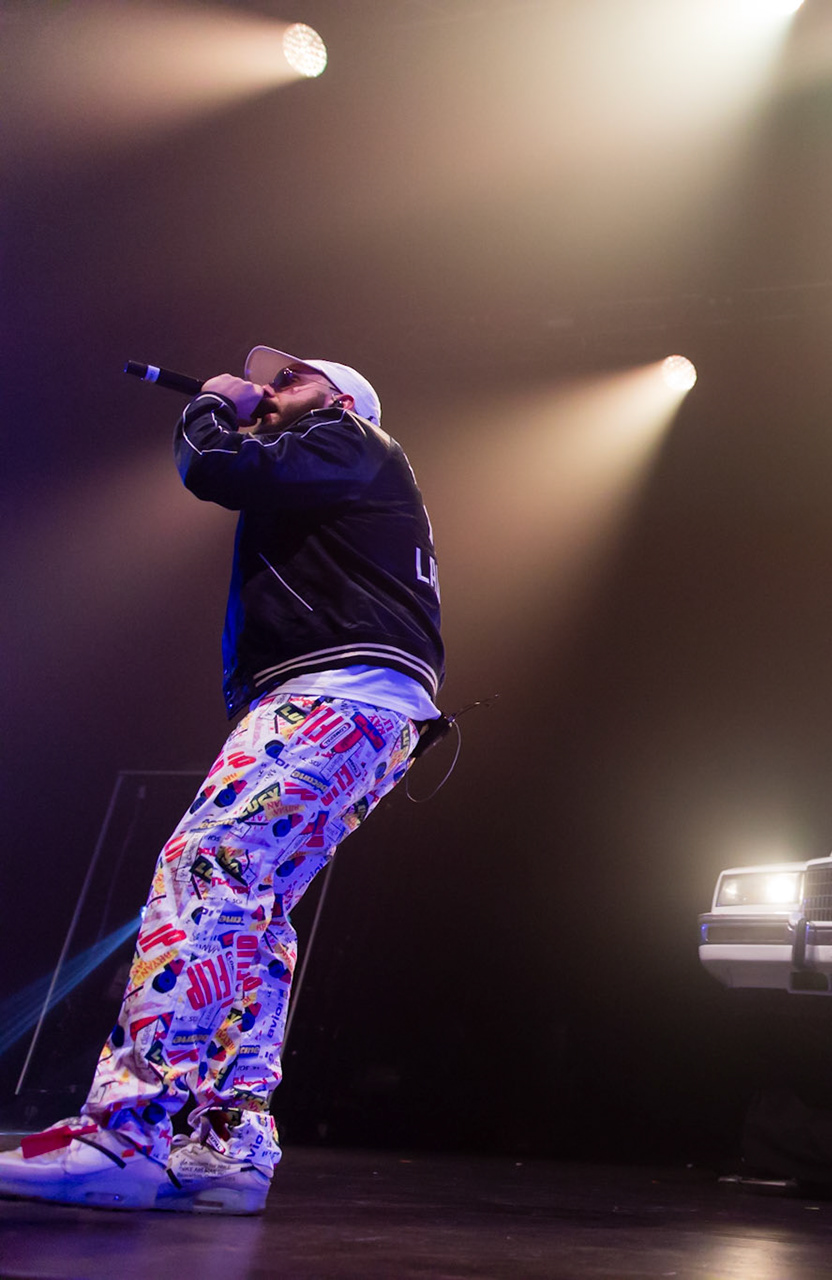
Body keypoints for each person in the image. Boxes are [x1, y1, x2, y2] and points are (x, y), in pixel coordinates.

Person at [0, 347, 444, 1215]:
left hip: (336, 693)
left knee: (206, 868)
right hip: (365, 706)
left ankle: (125, 1131)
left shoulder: (350, 437)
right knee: (253, 906)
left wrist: (211, 401)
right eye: (266, 383)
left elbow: (215, 467)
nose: (270, 392)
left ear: (345, 402)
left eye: (291, 379)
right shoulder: (339, 465)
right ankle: (228, 1145)